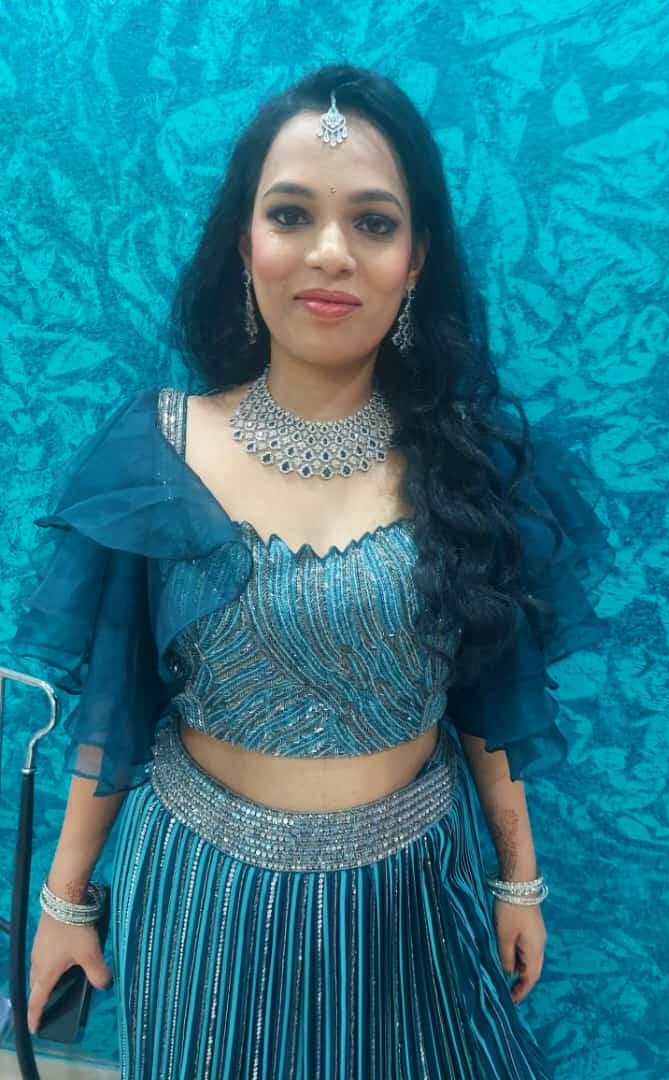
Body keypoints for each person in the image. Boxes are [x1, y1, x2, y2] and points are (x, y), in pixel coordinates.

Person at [10, 63, 615, 1079]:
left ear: (416, 259)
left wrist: (518, 879)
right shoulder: (158, 450)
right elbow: (116, 699)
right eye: (291, 214)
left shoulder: (467, 471)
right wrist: (64, 902)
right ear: (244, 243)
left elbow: (491, 694)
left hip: (412, 898)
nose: (330, 252)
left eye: (373, 222)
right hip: (202, 898)